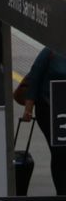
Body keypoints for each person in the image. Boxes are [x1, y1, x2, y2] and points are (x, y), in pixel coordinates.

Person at [18, 46, 66, 193]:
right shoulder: (50, 52)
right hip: (49, 110)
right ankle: (62, 192)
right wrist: (28, 108)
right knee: (59, 152)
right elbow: (35, 79)